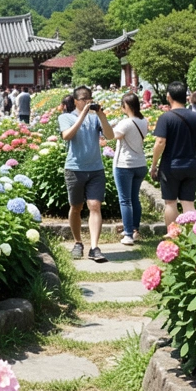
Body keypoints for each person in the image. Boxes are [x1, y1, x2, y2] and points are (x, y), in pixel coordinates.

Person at [60, 86, 114, 262]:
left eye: (89, 98)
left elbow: (110, 135)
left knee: (95, 205)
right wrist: (82, 114)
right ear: (75, 101)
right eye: (83, 99)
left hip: (95, 169)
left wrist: (101, 115)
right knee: (76, 207)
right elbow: (67, 136)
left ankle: (94, 247)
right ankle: (77, 242)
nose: (87, 102)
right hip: (74, 169)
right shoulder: (65, 117)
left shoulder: (94, 119)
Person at [149, 81, 196, 226]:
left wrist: (154, 164)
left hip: (170, 166)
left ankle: (173, 237)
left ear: (168, 96)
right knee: (188, 203)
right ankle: (192, 238)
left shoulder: (166, 118)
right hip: (190, 164)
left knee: (170, 203)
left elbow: (160, 142)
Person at [112, 93, 149, 246]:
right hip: (140, 164)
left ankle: (128, 234)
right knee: (134, 198)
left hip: (124, 165)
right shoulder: (144, 121)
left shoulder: (125, 123)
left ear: (126, 106)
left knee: (125, 200)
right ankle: (135, 229)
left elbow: (112, 136)